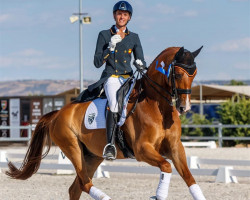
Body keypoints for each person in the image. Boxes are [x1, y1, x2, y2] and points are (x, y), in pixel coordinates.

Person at [93, 1, 146, 160]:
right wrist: (110, 47)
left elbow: (140, 59)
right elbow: (97, 63)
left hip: (128, 78)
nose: (121, 17)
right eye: (119, 14)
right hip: (112, 77)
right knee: (114, 104)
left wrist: (140, 64)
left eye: (125, 14)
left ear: (129, 17)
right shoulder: (104, 35)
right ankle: (110, 145)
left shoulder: (134, 38)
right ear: (114, 15)